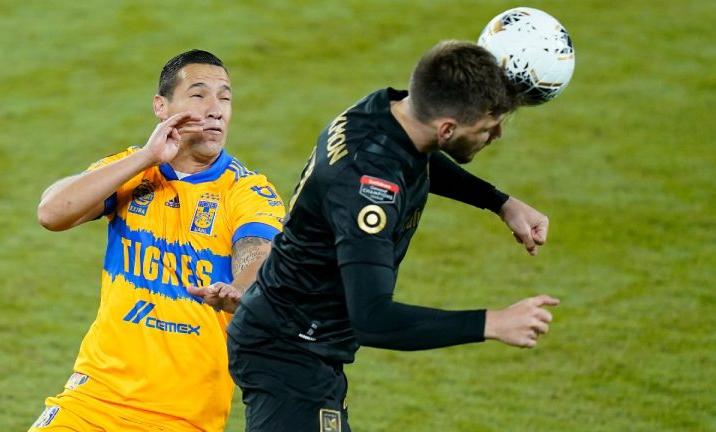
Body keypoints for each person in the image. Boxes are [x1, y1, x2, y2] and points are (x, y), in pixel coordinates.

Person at [194, 40, 560, 431]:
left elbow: (417, 157)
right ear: (447, 128)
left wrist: (500, 202)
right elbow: (373, 318)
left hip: (299, 336)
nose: (498, 133)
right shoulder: (367, 191)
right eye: (487, 128)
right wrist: (494, 323)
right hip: (287, 351)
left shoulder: (384, 111)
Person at [29, 50, 285, 431]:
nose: (215, 110)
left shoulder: (247, 191)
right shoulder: (133, 170)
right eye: (199, 95)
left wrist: (239, 289)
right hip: (92, 398)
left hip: (182, 417)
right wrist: (146, 157)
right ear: (161, 107)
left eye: (225, 98)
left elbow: (259, 256)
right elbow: (51, 212)